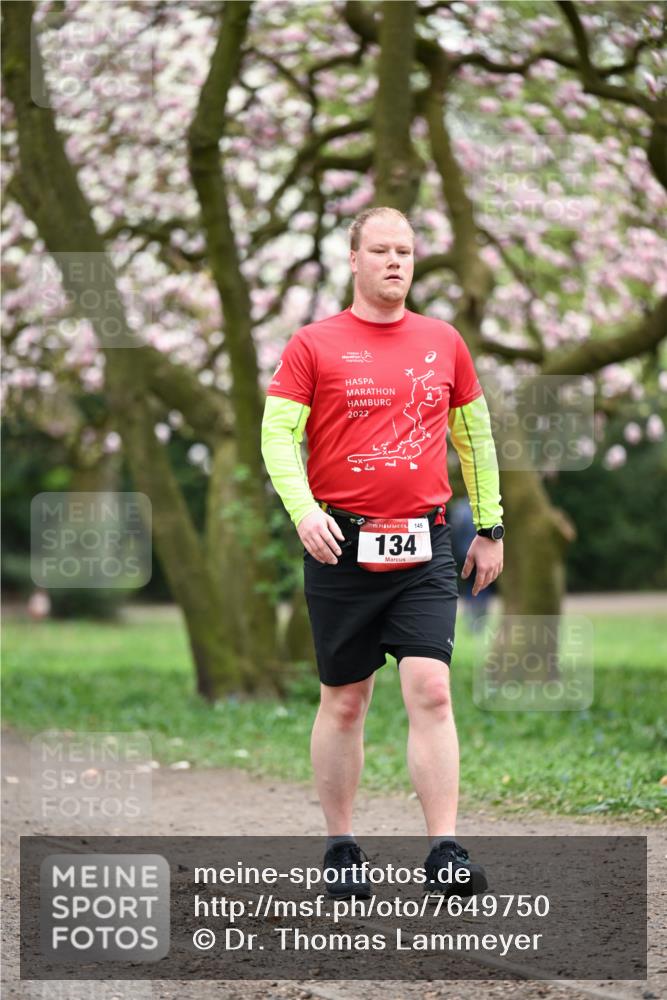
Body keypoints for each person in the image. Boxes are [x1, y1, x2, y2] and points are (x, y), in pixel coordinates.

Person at [261, 207, 504, 898]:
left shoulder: (443, 341)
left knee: (431, 689)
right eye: (380, 250)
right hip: (339, 545)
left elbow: (475, 438)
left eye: (405, 250)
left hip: (424, 544)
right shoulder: (313, 345)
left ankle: (445, 850)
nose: (395, 261)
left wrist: (489, 526)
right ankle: (341, 847)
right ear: (353, 259)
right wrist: (304, 511)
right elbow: (277, 435)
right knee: (345, 701)